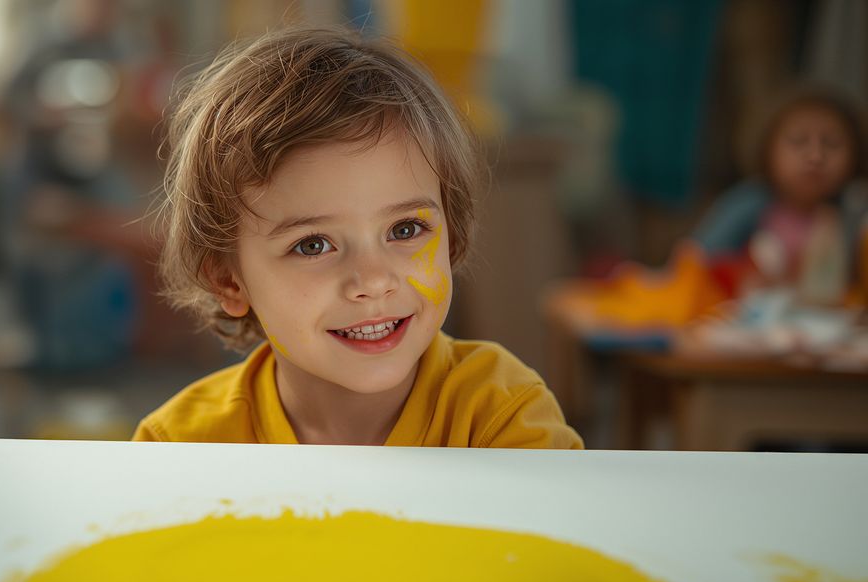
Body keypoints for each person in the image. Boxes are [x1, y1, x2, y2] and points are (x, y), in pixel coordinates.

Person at [131, 27, 583, 448]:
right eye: (313, 244)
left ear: (452, 234)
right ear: (230, 281)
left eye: (405, 229)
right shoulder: (181, 447)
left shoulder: (503, 418)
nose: (372, 280)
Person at [693, 86, 868, 303]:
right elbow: (697, 260)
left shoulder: (855, 209)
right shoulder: (749, 202)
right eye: (798, 141)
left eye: (831, 144)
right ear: (768, 149)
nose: (815, 156)